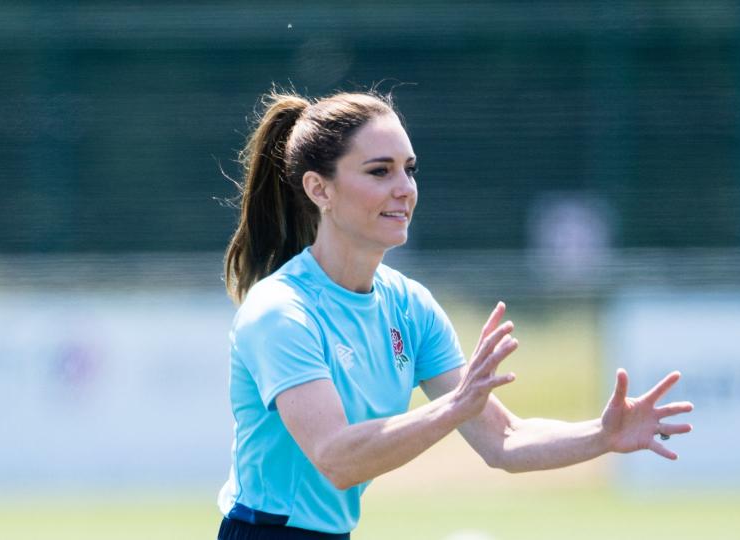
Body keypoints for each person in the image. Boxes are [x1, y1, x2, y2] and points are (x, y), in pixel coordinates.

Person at [217, 89, 694, 540]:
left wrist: (602, 434)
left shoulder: (409, 305)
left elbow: (503, 439)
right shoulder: (280, 312)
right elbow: (337, 458)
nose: (404, 188)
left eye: (410, 169)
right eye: (380, 171)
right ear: (319, 189)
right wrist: (453, 407)